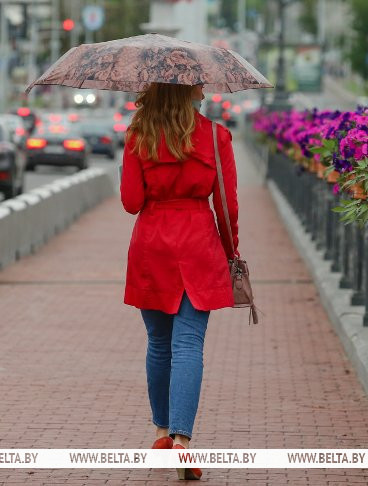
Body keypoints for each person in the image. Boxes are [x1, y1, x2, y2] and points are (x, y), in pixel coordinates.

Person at [120, 82, 239, 481]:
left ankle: (160, 433)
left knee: (158, 343)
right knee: (188, 344)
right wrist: (230, 251)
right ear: (189, 89)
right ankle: (182, 440)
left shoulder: (138, 134)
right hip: (198, 245)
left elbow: (131, 202)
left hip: (152, 245)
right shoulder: (216, 136)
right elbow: (226, 205)